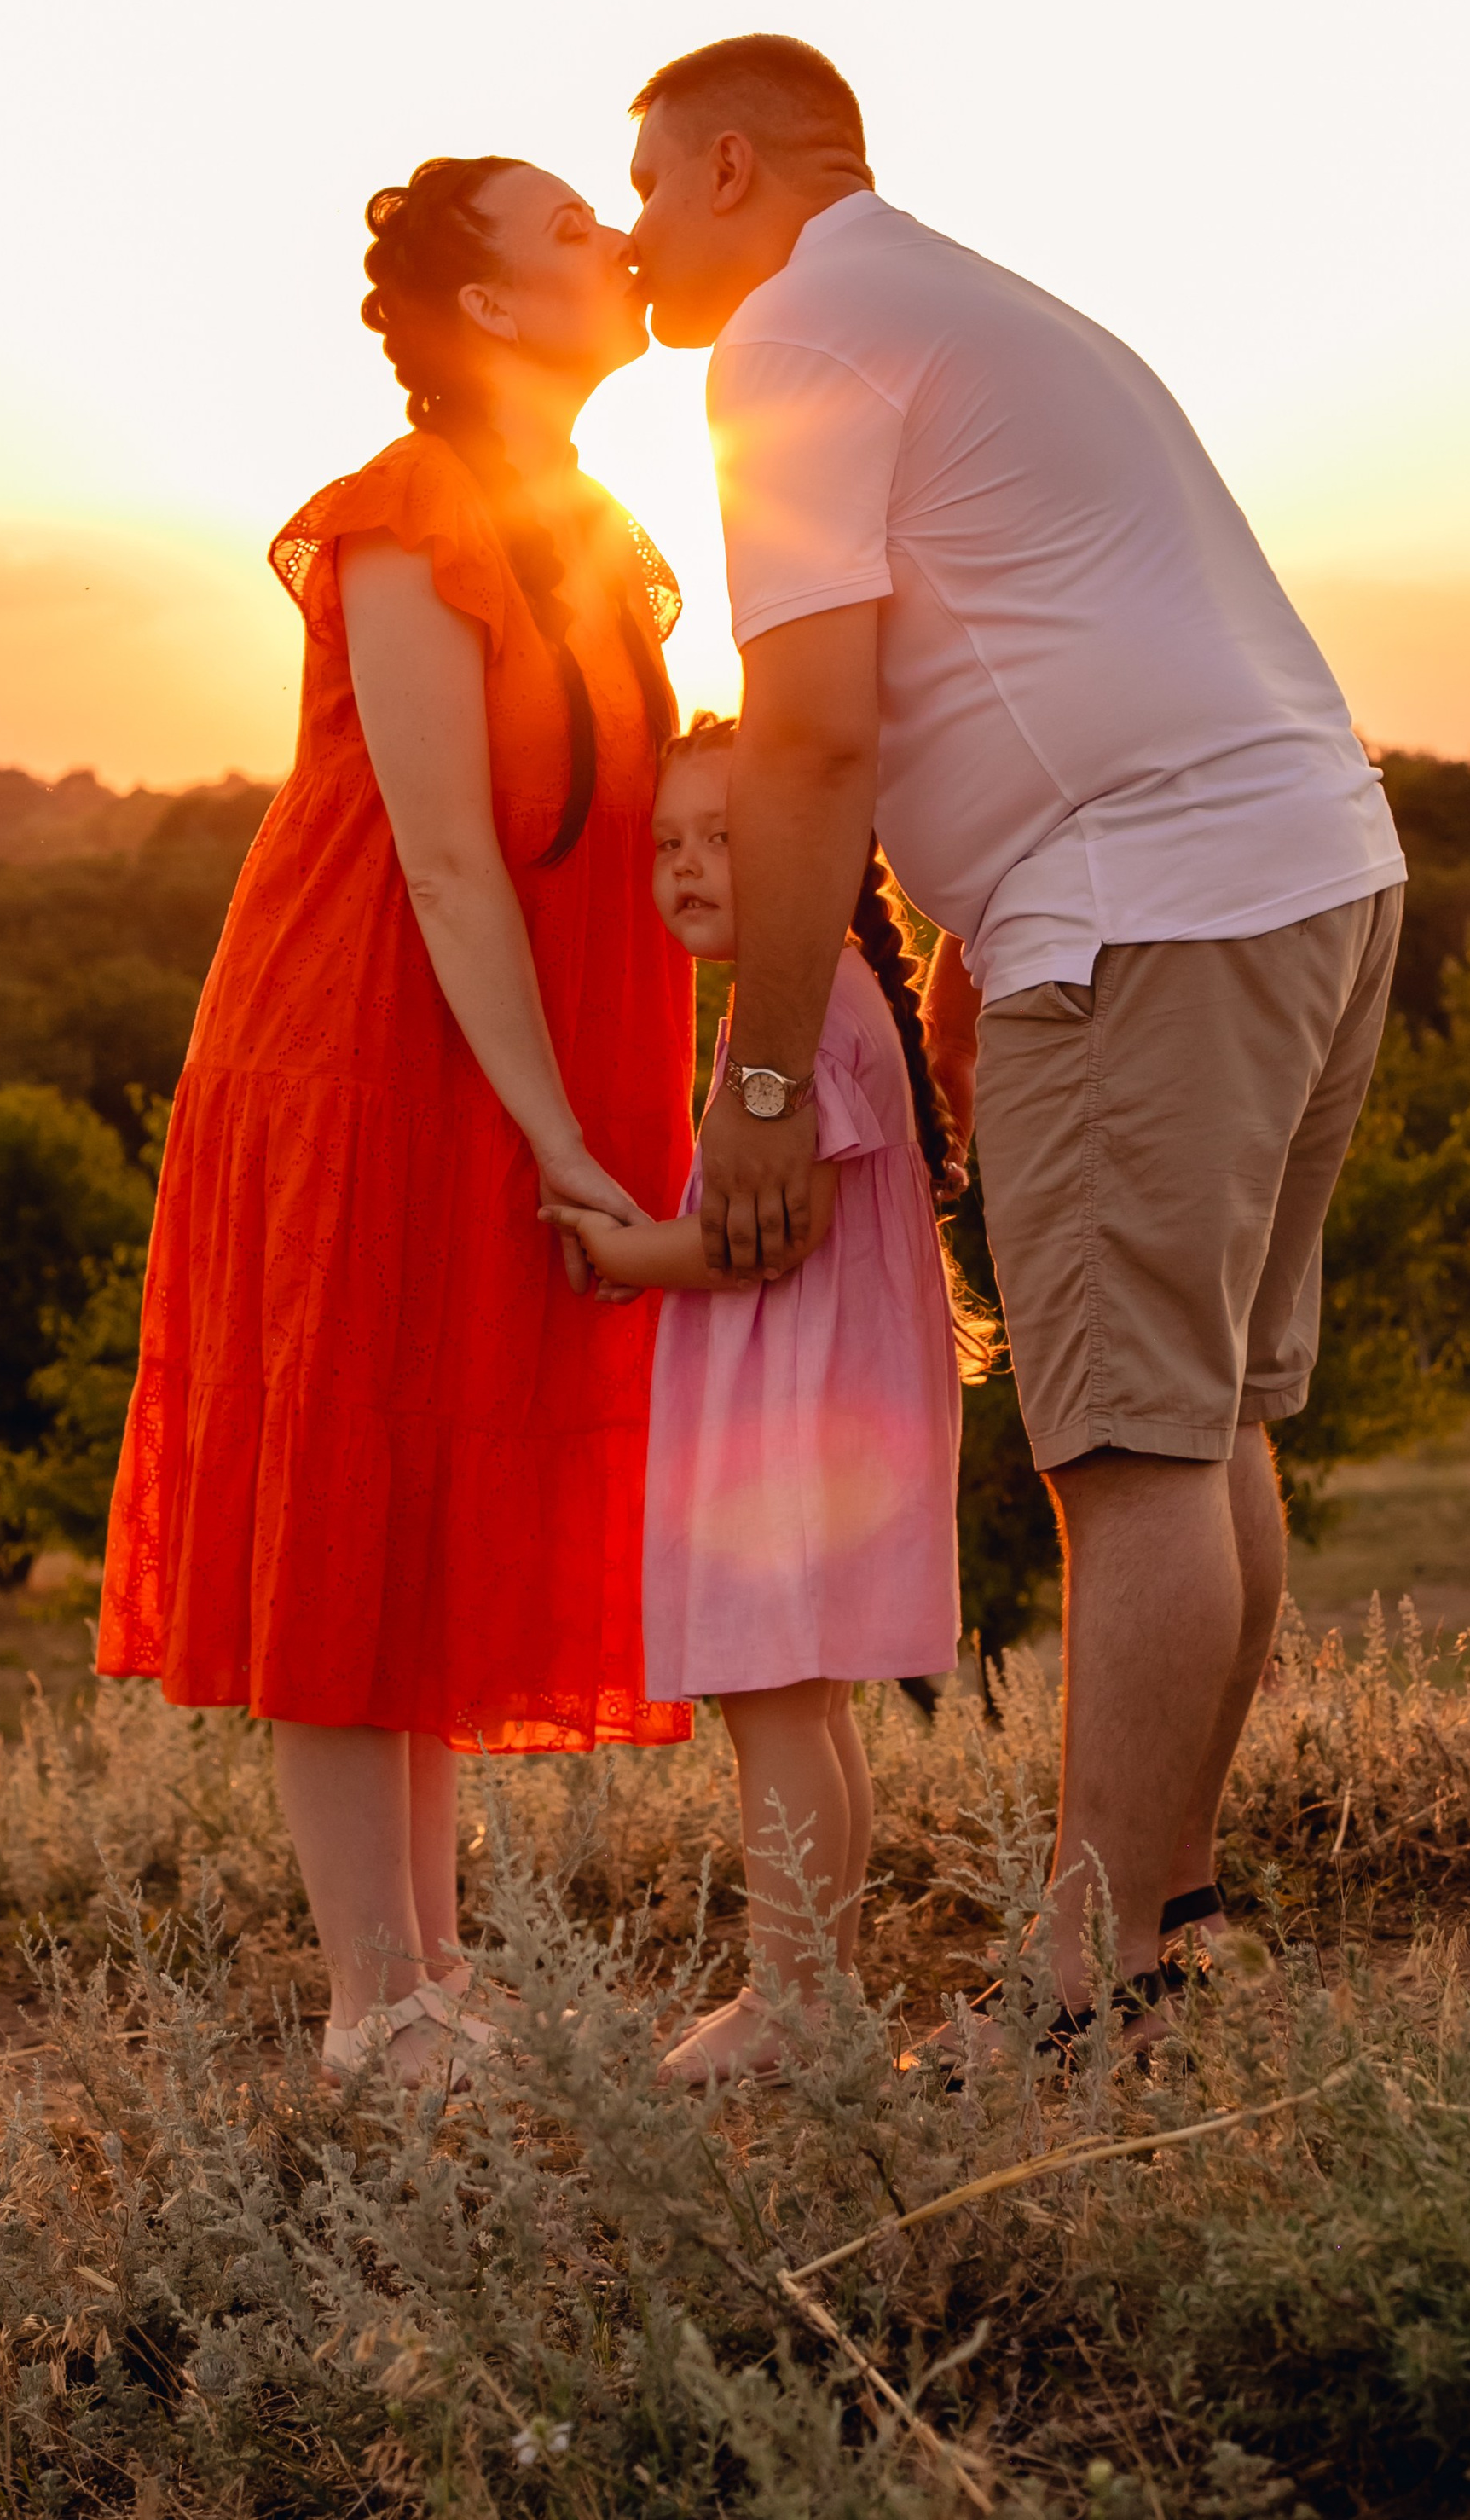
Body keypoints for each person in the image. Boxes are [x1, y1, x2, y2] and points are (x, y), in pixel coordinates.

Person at [623, 34, 1406, 2039]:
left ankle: (1085, 1979)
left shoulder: (790, 336)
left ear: (730, 168)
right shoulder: (966, 301)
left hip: (1149, 908)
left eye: (639, 188)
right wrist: (970, 945)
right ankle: (1167, 1917)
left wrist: (766, 1075)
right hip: (1305, 865)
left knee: (1130, 1446)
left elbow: (806, 734)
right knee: (1207, 1415)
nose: (630, 237)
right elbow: (1036, 638)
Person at [97, 156, 695, 2088]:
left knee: (431, 1493)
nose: (615, 238)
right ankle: (378, 2004)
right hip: (367, 1049)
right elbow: (442, 859)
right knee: (354, 1489)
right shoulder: (401, 513)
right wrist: (561, 1139)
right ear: (498, 308)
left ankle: (433, 1983)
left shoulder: (585, 521)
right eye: (568, 230)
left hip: (504, 1055)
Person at [545, 711, 972, 2085]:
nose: (685, 866)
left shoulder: (793, 1020)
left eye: (724, 837)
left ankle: (791, 2001)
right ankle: (822, 1998)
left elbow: (762, 1238)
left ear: (822, 847)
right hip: (833, 1410)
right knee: (809, 1708)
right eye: (670, 841)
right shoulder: (837, 996)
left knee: (777, 1707)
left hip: (797, 1423)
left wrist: (619, 1256)